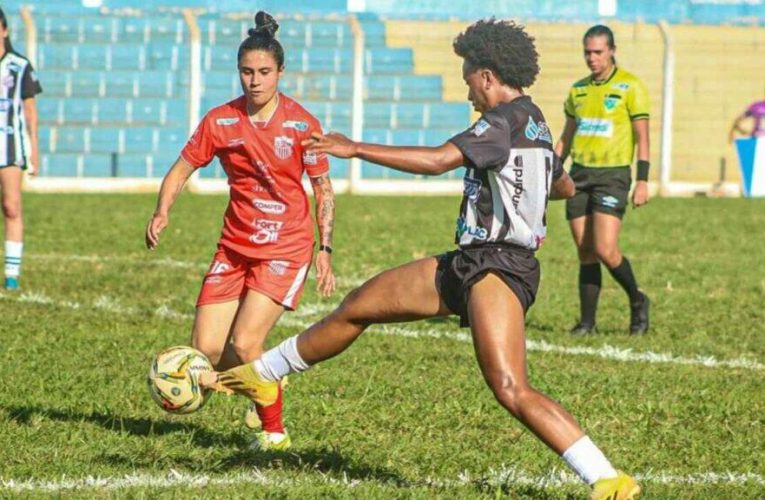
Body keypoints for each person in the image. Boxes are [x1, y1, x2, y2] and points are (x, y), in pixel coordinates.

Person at [203, 19, 640, 500]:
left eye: (469, 75)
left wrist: (355, 148)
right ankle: (263, 374)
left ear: (488, 75)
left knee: (511, 386)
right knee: (360, 306)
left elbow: (436, 160)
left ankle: (608, 479)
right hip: (468, 262)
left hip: (499, 268)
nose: (467, 86)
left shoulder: (498, 122)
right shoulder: (533, 119)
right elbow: (564, 186)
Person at [145, 11, 336, 451]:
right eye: (247, 72)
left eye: (264, 72)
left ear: (280, 73)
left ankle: (274, 431)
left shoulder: (302, 124)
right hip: (234, 246)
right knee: (207, 351)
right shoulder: (221, 121)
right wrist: (162, 211)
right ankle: (268, 377)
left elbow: (323, 190)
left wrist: (324, 248)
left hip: (285, 247)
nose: (255, 81)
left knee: (247, 341)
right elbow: (180, 169)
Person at [554, 25, 650, 336]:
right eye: (587, 52)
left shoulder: (630, 86)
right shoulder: (578, 90)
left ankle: (638, 301)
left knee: (605, 248)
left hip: (613, 176)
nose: (592, 58)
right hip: (579, 175)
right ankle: (587, 323)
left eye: (597, 52)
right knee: (585, 251)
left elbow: (642, 137)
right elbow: (566, 139)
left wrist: (644, 180)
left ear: (611, 50)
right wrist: (552, 170)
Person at [0, 8, 42, 290]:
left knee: (11, 206)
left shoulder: (19, 65)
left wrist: (35, 148)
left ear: (4, 30)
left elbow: (29, 111)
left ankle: (11, 275)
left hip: (9, 146)